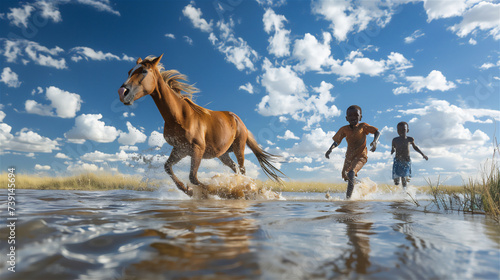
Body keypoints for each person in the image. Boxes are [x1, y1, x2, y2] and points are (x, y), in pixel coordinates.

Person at [325, 105, 380, 199]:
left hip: (361, 156)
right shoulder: (344, 129)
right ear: (346, 118)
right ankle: (363, 184)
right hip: (349, 157)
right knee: (346, 176)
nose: (353, 117)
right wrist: (330, 149)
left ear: (360, 117)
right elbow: (336, 141)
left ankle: (348, 200)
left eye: (356, 115)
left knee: (351, 173)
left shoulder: (363, 126)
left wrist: (375, 141)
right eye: (350, 116)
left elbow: (376, 132)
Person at [391, 121, 428, 188]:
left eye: (403, 130)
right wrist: (392, 150)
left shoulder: (409, 139)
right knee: (396, 182)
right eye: (399, 130)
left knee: (403, 178)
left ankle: (404, 193)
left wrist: (423, 154)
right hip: (397, 161)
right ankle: (398, 190)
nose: (401, 131)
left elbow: (415, 147)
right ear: (397, 131)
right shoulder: (395, 140)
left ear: (407, 130)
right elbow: (393, 147)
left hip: (406, 161)